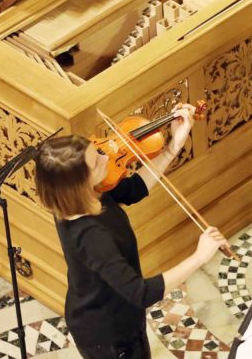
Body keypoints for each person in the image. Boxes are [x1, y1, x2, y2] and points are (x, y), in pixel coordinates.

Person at [34, 103, 229, 359]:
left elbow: (133, 190)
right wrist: (199, 257)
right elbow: (141, 293)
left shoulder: (81, 196)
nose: (106, 158)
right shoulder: (91, 237)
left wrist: (173, 147)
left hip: (116, 311)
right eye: (97, 162)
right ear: (78, 184)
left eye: (98, 152)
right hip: (110, 334)